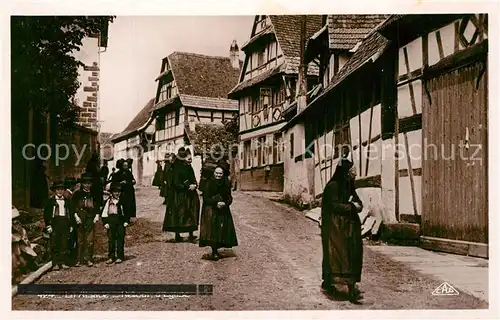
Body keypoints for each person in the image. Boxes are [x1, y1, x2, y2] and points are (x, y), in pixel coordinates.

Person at [321, 158, 364, 303]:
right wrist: (352, 207)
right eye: (351, 173)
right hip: (335, 228)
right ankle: (331, 282)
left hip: (350, 227)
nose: (353, 176)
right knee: (337, 255)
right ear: (344, 173)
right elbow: (334, 206)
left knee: (352, 254)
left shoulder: (349, 186)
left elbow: (358, 202)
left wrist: (357, 205)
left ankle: (351, 286)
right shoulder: (332, 186)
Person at [199, 166, 238, 261]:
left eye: (220, 173)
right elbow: (206, 198)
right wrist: (215, 203)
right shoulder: (208, 182)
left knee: (221, 229)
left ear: (223, 174)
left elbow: (229, 197)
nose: (218, 175)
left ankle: (217, 249)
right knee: (212, 229)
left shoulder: (225, 183)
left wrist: (225, 203)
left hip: (223, 209)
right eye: (216, 173)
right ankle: (214, 251)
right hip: (211, 209)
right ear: (214, 173)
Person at [162, 147, 200, 242]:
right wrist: (187, 187)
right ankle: (177, 235)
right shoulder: (176, 167)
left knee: (191, 213)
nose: (189, 159)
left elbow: (193, 177)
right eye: (188, 158)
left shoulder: (188, 167)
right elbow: (175, 183)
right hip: (179, 195)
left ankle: (191, 234)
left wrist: (195, 184)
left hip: (190, 194)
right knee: (179, 214)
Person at [43, 180, 73, 270]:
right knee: (55, 243)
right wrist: (48, 225)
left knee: (64, 243)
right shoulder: (50, 201)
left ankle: (63, 262)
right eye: (58, 189)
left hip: (64, 222)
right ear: (55, 191)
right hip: (55, 223)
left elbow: (70, 213)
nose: (60, 191)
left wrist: (71, 225)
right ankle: (55, 263)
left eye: (62, 189)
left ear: (64, 191)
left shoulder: (67, 201)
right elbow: (46, 214)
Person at [72, 172, 100, 267]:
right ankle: (79, 259)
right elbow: (73, 207)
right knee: (80, 239)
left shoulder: (94, 194)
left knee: (90, 239)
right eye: (85, 183)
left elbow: (97, 206)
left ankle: (89, 259)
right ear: (82, 184)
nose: (87, 185)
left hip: (90, 217)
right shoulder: (77, 194)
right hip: (80, 216)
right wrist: (76, 216)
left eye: (89, 183)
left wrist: (97, 215)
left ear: (91, 184)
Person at [101, 182, 129, 264]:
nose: (117, 193)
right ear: (112, 192)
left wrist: (126, 221)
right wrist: (105, 222)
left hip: (120, 221)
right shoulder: (108, 201)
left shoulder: (123, 201)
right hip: (111, 221)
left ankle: (120, 256)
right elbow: (104, 213)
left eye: (119, 192)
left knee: (120, 239)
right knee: (111, 240)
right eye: (115, 192)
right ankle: (111, 256)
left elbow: (126, 212)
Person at [63, 177, 78, 265]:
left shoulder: (68, 193)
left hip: (71, 219)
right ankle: (70, 259)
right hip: (69, 219)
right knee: (70, 239)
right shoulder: (67, 195)